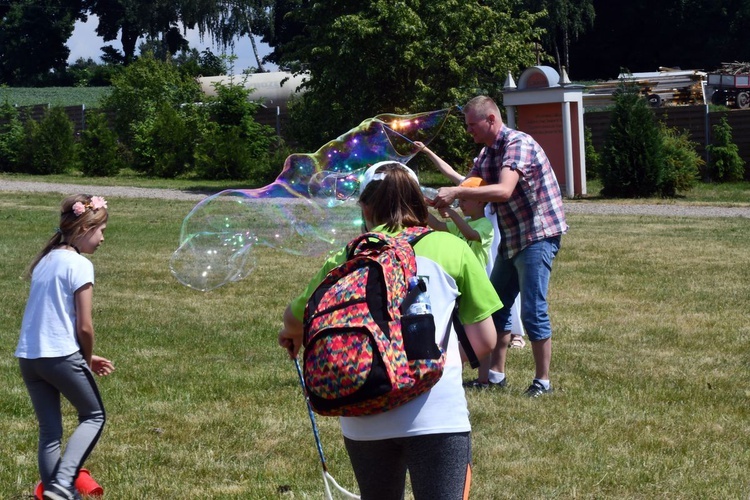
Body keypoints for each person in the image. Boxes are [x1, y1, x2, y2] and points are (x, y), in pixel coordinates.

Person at [279, 161, 501, 499]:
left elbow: (297, 315)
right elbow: (485, 341)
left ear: (366, 208)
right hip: (436, 412)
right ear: (418, 203)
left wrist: (292, 333)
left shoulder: (346, 257)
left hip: (363, 407)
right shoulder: (451, 248)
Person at [427, 96, 568, 398]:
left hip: (537, 235)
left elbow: (503, 190)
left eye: (471, 125)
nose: (468, 131)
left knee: (532, 310)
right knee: (496, 306)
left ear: (491, 119)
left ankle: (543, 382)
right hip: (512, 238)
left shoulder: (518, 144)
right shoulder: (487, 153)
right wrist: (434, 197)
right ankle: (494, 376)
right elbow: (468, 185)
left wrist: (456, 191)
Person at [15, 194, 115, 500]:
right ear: (84, 228)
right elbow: (84, 326)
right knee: (94, 415)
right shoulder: (80, 264)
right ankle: (62, 484)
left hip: (31, 358)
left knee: (50, 433)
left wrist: (87, 356)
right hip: (60, 356)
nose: (102, 239)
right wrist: (84, 358)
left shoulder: (46, 259)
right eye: (101, 231)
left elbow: (52, 319)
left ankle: (51, 495)